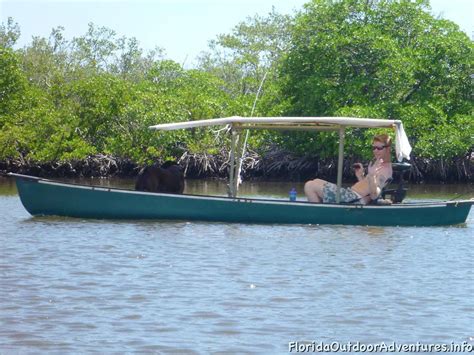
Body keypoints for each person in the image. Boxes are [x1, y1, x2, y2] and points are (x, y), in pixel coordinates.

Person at [304, 134, 393, 204]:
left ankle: (319, 217)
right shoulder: (378, 163)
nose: (375, 151)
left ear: (388, 149)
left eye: (379, 148)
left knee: (309, 186)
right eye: (374, 148)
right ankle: (322, 210)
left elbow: (374, 195)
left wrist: (372, 175)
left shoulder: (385, 170)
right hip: (350, 194)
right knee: (316, 181)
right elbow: (368, 189)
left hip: (353, 199)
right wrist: (361, 177)